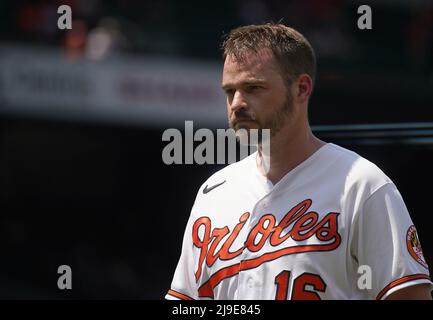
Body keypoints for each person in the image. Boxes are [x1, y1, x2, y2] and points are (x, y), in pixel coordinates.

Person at [165, 23, 433, 300]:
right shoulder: (215, 192)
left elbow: (410, 296)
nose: (237, 104)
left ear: (301, 88)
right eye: (230, 91)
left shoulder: (362, 184)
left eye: (253, 88)